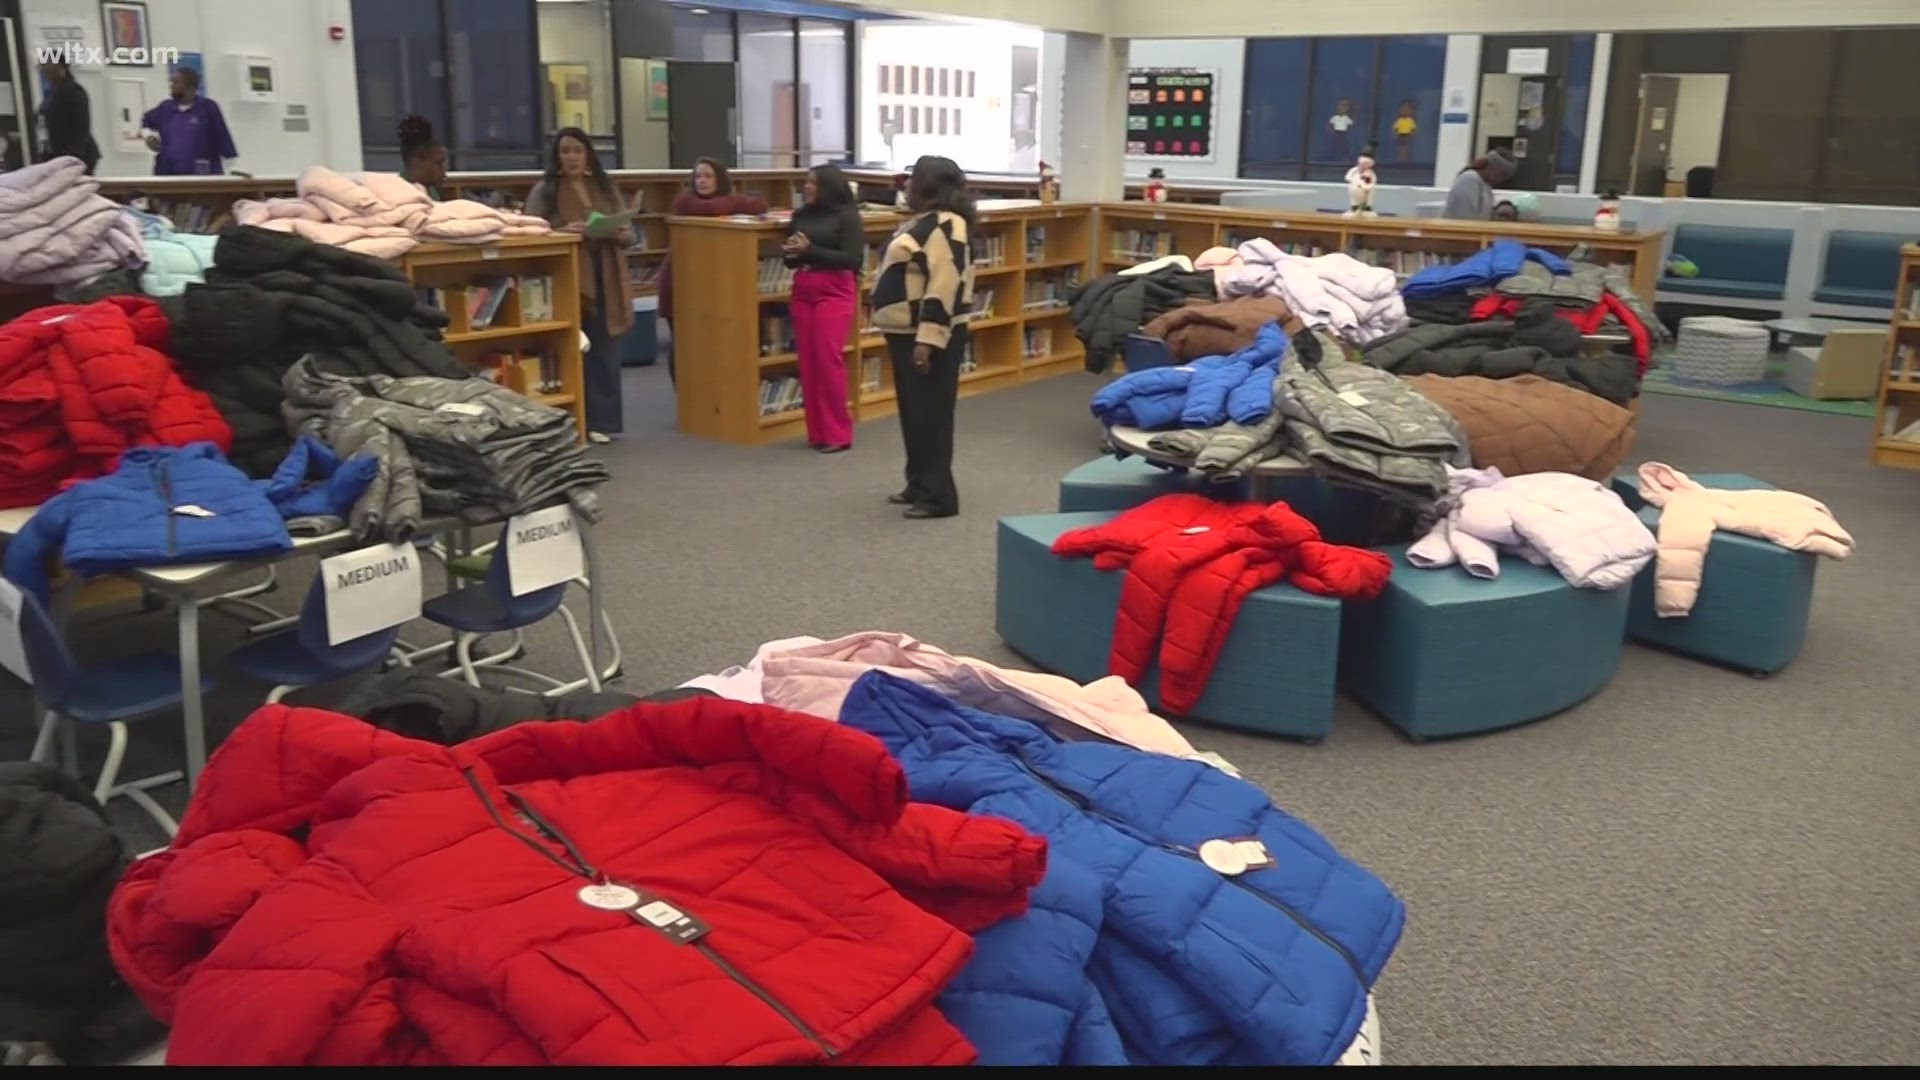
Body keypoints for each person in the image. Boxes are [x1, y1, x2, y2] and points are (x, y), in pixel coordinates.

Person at [870, 155, 974, 520]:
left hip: (927, 334)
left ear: (929, 185)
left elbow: (944, 283)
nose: (906, 184)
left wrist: (928, 339)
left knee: (931, 414)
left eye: (913, 179)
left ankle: (940, 496)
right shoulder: (922, 221)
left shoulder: (949, 225)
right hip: (902, 331)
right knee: (913, 412)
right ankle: (917, 482)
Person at [525, 128, 635, 443]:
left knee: (607, 349)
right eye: (565, 151)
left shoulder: (604, 185)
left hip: (607, 274)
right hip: (570, 275)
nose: (571, 157)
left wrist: (616, 231)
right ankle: (575, 421)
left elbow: (628, 233)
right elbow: (531, 231)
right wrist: (565, 232)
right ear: (557, 156)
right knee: (574, 348)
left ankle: (605, 422)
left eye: (577, 151)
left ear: (588, 154)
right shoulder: (545, 190)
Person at [657, 158, 768, 387]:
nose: (702, 181)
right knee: (682, 345)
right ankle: (684, 398)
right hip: (680, 280)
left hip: (712, 283)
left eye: (708, 176)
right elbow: (706, 209)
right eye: (698, 176)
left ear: (720, 179)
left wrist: (735, 202)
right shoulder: (685, 200)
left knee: (710, 345)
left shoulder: (726, 200)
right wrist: (736, 201)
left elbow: (760, 206)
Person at [782, 164, 864, 454]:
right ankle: (817, 432)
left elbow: (853, 259)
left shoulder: (846, 215)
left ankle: (839, 434)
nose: (806, 187)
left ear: (828, 187)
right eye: (806, 182)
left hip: (835, 289)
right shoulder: (800, 215)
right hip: (804, 286)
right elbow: (792, 260)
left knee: (828, 360)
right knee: (808, 361)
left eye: (813, 183)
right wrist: (790, 253)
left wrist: (811, 251)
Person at [141, 66, 237, 176]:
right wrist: (148, 136)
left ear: (190, 87)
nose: (171, 86)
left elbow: (223, 138)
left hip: (202, 176)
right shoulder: (165, 107)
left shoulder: (208, 108)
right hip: (167, 175)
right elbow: (146, 121)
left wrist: (230, 173)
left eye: (176, 82)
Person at [36, 60, 99, 174]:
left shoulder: (74, 91)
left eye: (47, 65)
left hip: (76, 154)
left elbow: (81, 126)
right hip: (57, 153)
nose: (44, 69)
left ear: (61, 67)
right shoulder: (51, 91)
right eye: (42, 66)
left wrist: (73, 157)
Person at [1442, 150, 1516, 220]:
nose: (1501, 179)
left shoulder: (1486, 185)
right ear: (1491, 167)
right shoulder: (1469, 179)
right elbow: (1466, 216)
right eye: (1502, 174)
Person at [397, 114, 447, 200]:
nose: (444, 173)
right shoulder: (400, 196)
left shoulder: (430, 190)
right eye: (439, 163)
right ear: (418, 160)